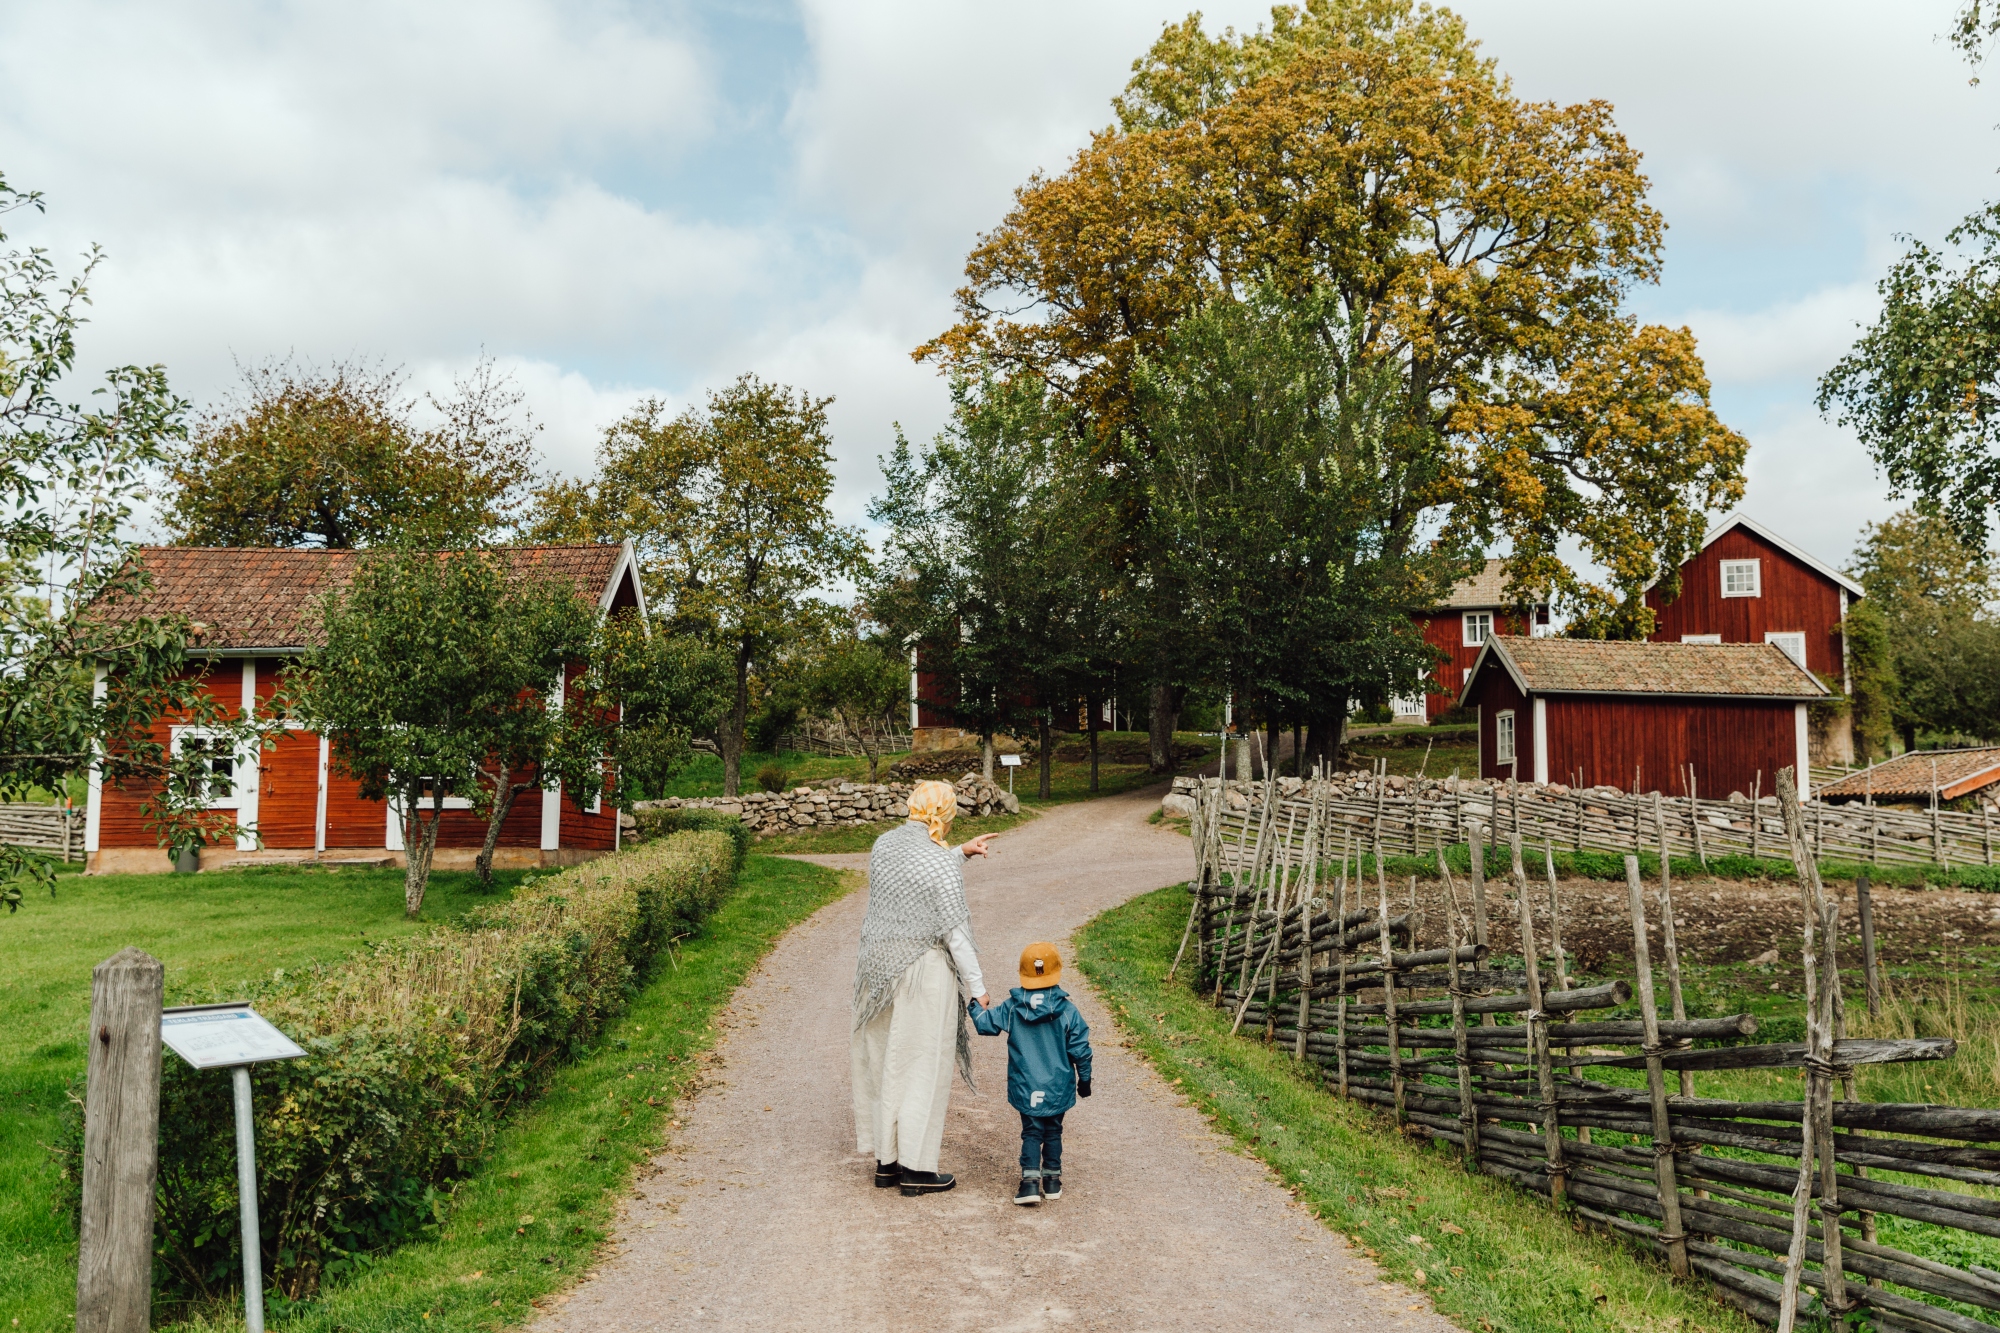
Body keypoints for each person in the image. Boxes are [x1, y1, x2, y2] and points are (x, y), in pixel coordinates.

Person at [851, 779, 996, 1196]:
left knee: (884, 1065)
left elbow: (915, 877)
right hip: (921, 976)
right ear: (946, 815)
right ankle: (917, 1171)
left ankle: (888, 1163)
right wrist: (977, 988)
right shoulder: (938, 861)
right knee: (919, 1067)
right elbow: (955, 932)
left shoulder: (884, 846)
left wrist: (959, 854)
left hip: (877, 975)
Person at [969, 941, 1093, 1206]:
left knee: (1032, 1131)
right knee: (1053, 1130)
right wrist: (1085, 1079)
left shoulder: (1012, 1008)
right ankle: (1052, 1180)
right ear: (1057, 971)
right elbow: (1081, 1050)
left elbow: (984, 1025)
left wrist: (975, 1005)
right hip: (1058, 1086)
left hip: (1026, 1084)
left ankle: (1029, 1183)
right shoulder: (1068, 1012)